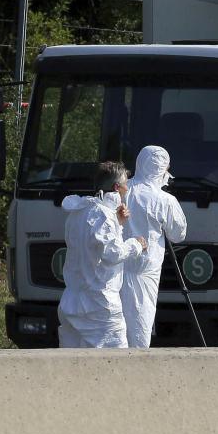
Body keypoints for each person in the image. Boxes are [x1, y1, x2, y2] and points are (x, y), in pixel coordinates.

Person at [57, 162, 147, 348]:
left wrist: (118, 224)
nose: (127, 188)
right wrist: (136, 245)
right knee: (111, 363)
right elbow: (111, 253)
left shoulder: (80, 211)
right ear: (116, 187)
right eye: (125, 184)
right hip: (99, 305)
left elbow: (92, 247)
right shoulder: (103, 215)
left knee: (71, 363)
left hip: (72, 302)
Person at [120, 145, 189, 348]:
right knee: (140, 325)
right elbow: (178, 235)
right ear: (162, 170)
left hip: (114, 271)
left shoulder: (122, 189)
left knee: (115, 328)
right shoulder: (165, 199)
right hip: (144, 273)